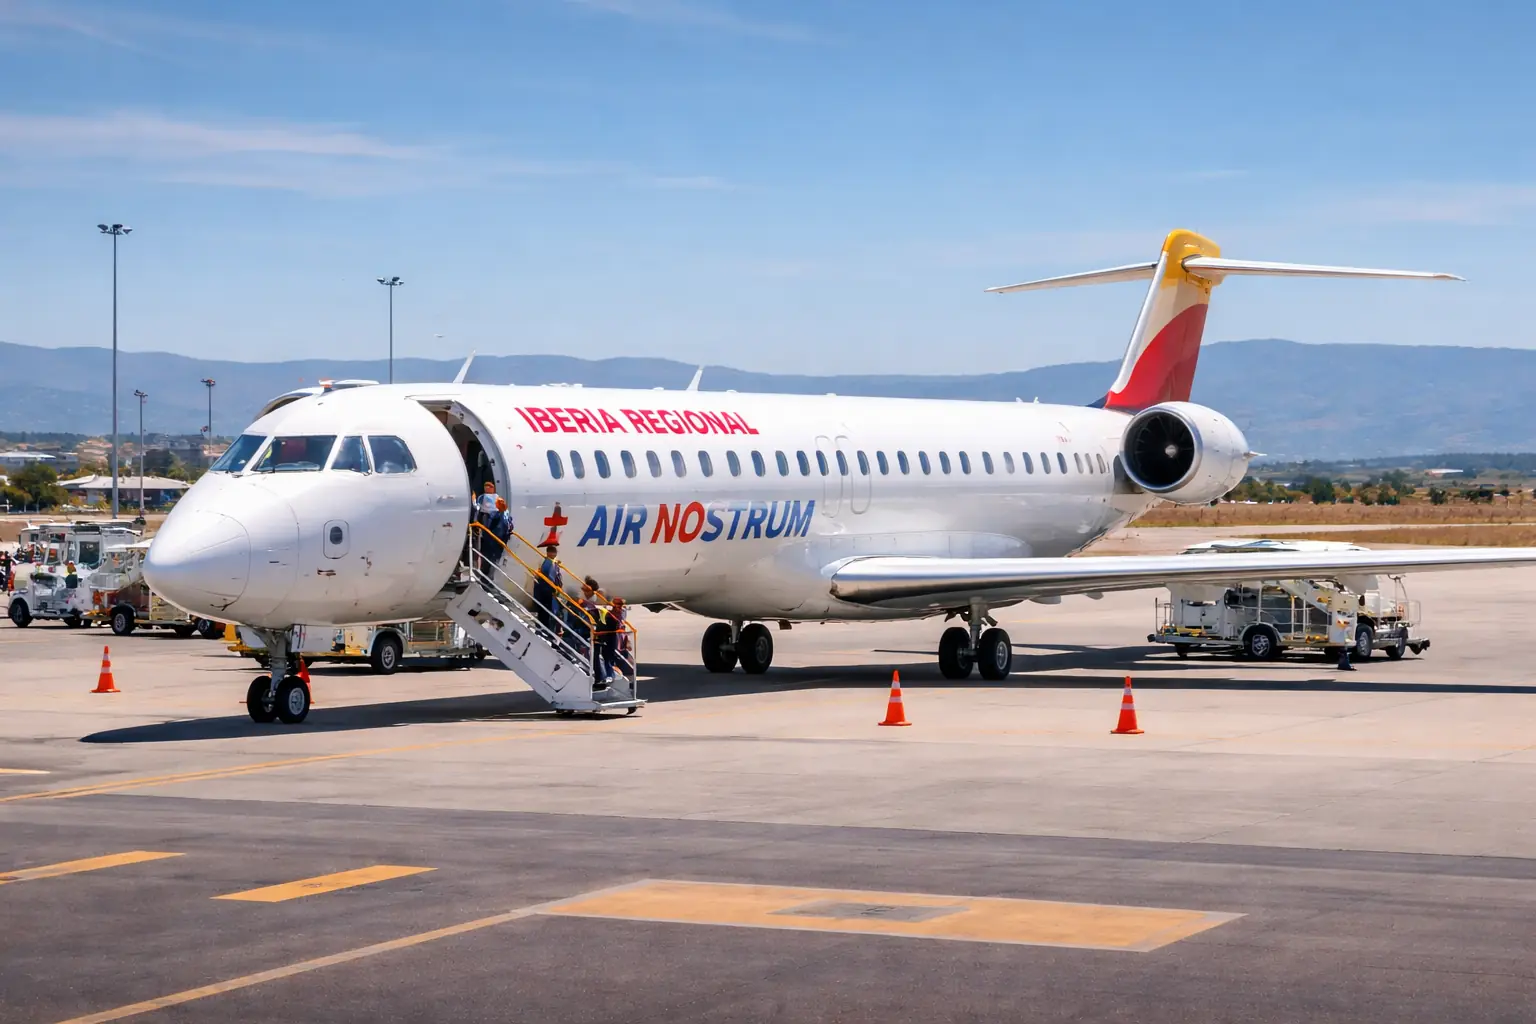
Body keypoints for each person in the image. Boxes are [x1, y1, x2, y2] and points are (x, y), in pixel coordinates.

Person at [531, 543, 564, 636]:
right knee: (545, 613)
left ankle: (541, 630)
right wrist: (554, 590)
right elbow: (551, 579)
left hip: (545, 591)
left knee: (544, 612)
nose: (555, 555)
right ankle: (542, 631)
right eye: (554, 553)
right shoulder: (549, 564)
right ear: (550, 553)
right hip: (546, 592)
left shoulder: (549, 562)